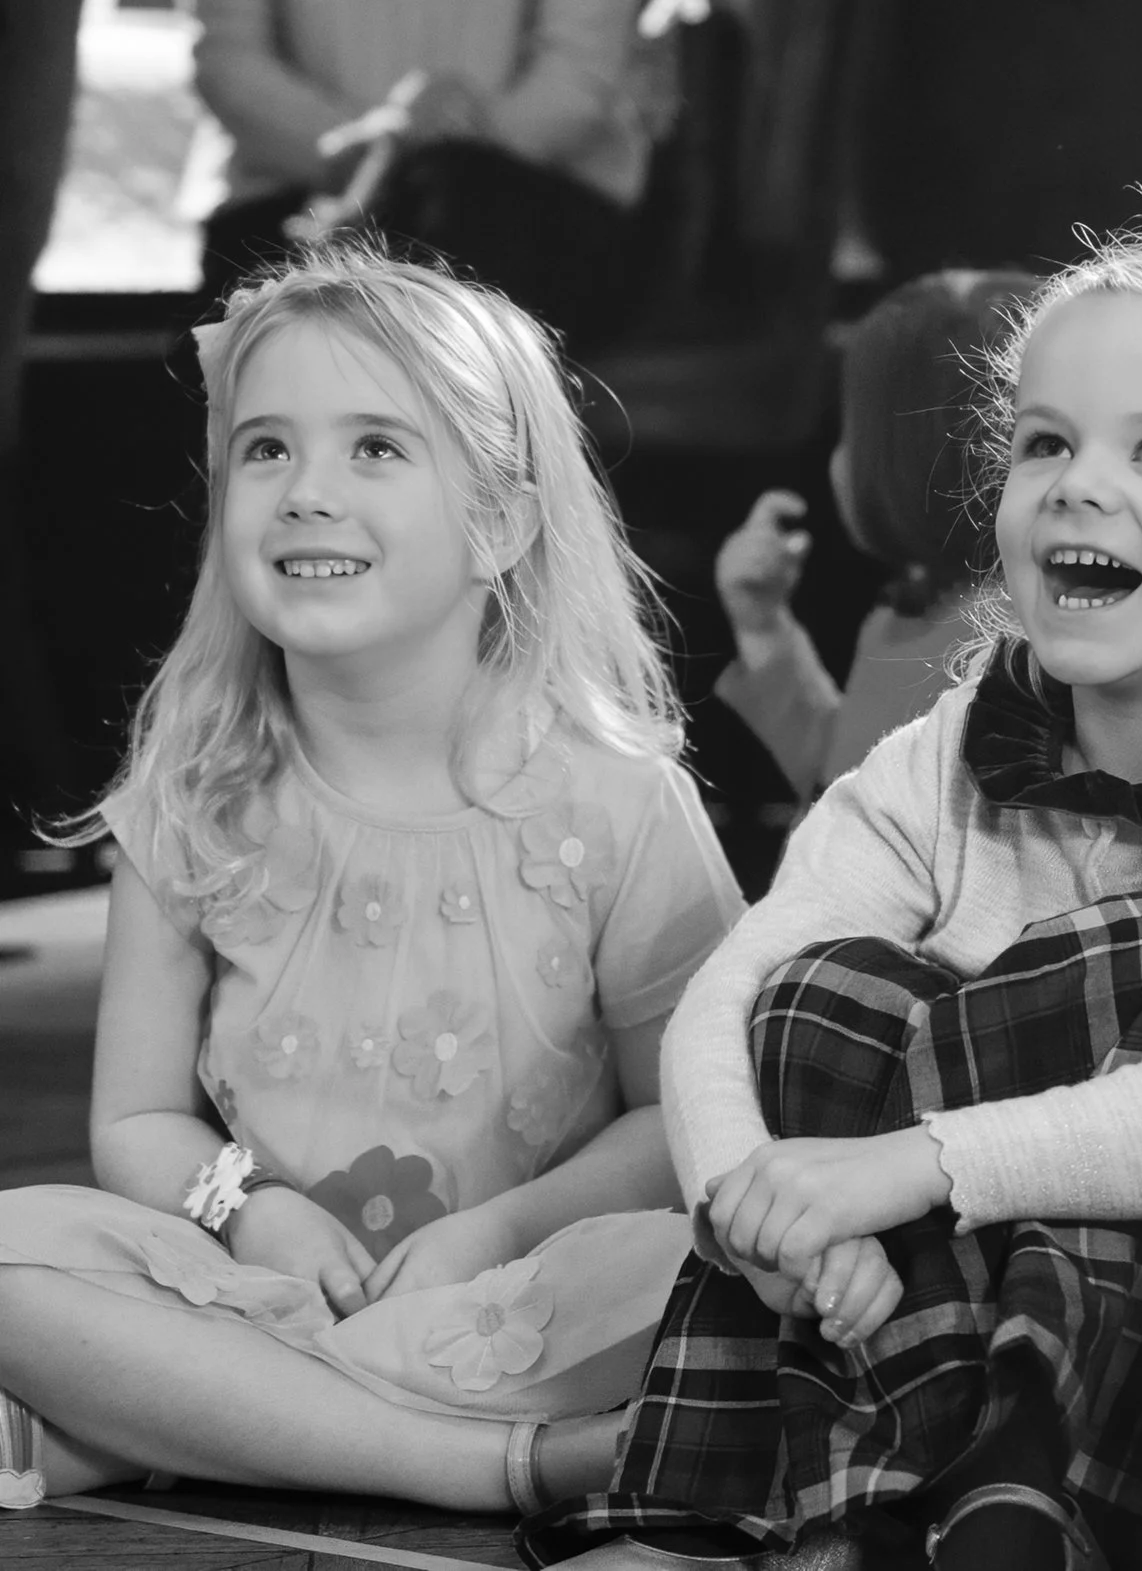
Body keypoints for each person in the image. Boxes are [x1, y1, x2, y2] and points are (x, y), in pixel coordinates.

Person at [528, 215, 1142, 1571]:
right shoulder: (960, 743)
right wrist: (762, 1210)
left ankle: (1003, 1518)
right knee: (822, 988)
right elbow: (736, 988)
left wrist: (902, 1168)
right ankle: (787, 1511)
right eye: (1044, 441)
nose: (1077, 485)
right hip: (890, 1313)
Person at [0, 244, 744, 1515]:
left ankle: (182, 1414)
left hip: (519, 1299)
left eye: (377, 449)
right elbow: (133, 1122)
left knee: (694, 1267)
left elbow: (686, 1110)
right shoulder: (193, 797)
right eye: (266, 449)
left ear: (500, 521)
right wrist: (249, 1212)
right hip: (261, 1285)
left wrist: (494, 1237)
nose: (304, 492)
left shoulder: (616, 799)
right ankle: (477, 1467)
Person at [712, 269, 1039, 801]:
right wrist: (765, 628)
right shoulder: (915, 615)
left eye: (850, 434)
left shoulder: (999, 659)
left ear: (899, 463)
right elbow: (844, 785)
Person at [192, 0, 671, 350]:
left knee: (465, 217)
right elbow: (229, 62)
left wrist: (426, 145)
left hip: (520, 206)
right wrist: (374, 146)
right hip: (296, 195)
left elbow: (580, 81)